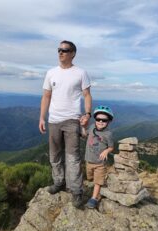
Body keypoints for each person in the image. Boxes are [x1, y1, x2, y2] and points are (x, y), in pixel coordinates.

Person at [39, 40, 92, 208]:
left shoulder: (80, 73)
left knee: (72, 157)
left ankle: (76, 191)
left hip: (72, 120)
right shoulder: (51, 73)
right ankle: (59, 182)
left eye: (65, 50)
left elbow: (87, 95)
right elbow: (46, 96)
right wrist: (42, 117)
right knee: (54, 155)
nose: (61, 52)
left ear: (73, 53)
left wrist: (88, 114)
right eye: (59, 50)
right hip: (53, 120)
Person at [83, 105, 114, 209]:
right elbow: (84, 135)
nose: (101, 122)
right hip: (89, 161)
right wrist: (83, 126)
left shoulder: (108, 134)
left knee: (97, 182)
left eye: (104, 120)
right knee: (90, 178)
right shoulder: (91, 127)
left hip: (100, 163)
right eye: (98, 119)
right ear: (95, 119)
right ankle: (98, 190)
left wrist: (106, 150)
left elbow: (111, 147)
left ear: (108, 121)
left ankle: (94, 198)